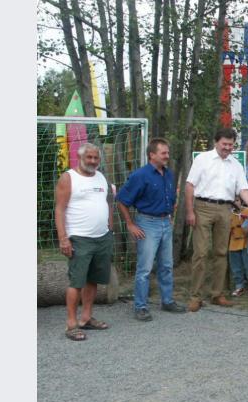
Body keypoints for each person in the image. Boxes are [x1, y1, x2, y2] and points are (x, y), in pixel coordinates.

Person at [185, 128, 248, 312]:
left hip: (225, 209)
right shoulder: (202, 159)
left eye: (231, 145)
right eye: (224, 144)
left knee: (222, 252)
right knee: (200, 253)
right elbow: (190, 185)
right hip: (203, 207)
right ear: (216, 142)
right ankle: (195, 296)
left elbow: (243, 191)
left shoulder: (236, 165)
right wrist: (190, 211)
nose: (227, 148)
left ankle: (217, 294)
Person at [116, 138, 187, 321]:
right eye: (164, 153)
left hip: (165, 223)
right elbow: (122, 200)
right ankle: (140, 306)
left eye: (168, 153)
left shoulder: (168, 174)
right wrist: (130, 224)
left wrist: (169, 216)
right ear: (152, 155)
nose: (167, 156)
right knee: (145, 268)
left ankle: (167, 300)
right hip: (147, 223)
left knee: (166, 265)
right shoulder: (140, 175)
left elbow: (170, 198)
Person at [55, 143, 114, 341]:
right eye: (89, 157)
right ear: (80, 158)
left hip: (101, 238)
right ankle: (71, 324)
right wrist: (63, 238)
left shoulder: (101, 177)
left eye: (96, 158)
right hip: (79, 238)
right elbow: (60, 209)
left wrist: (109, 228)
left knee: (92, 280)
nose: (93, 161)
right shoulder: (69, 178)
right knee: (76, 282)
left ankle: (86, 318)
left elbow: (107, 203)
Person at [228, 197, 248, 296]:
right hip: (233, 243)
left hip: (246, 242)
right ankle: (239, 286)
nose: (235, 203)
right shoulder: (229, 213)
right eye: (232, 201)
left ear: (241, 201)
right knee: (236, 267)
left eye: (237, 200)